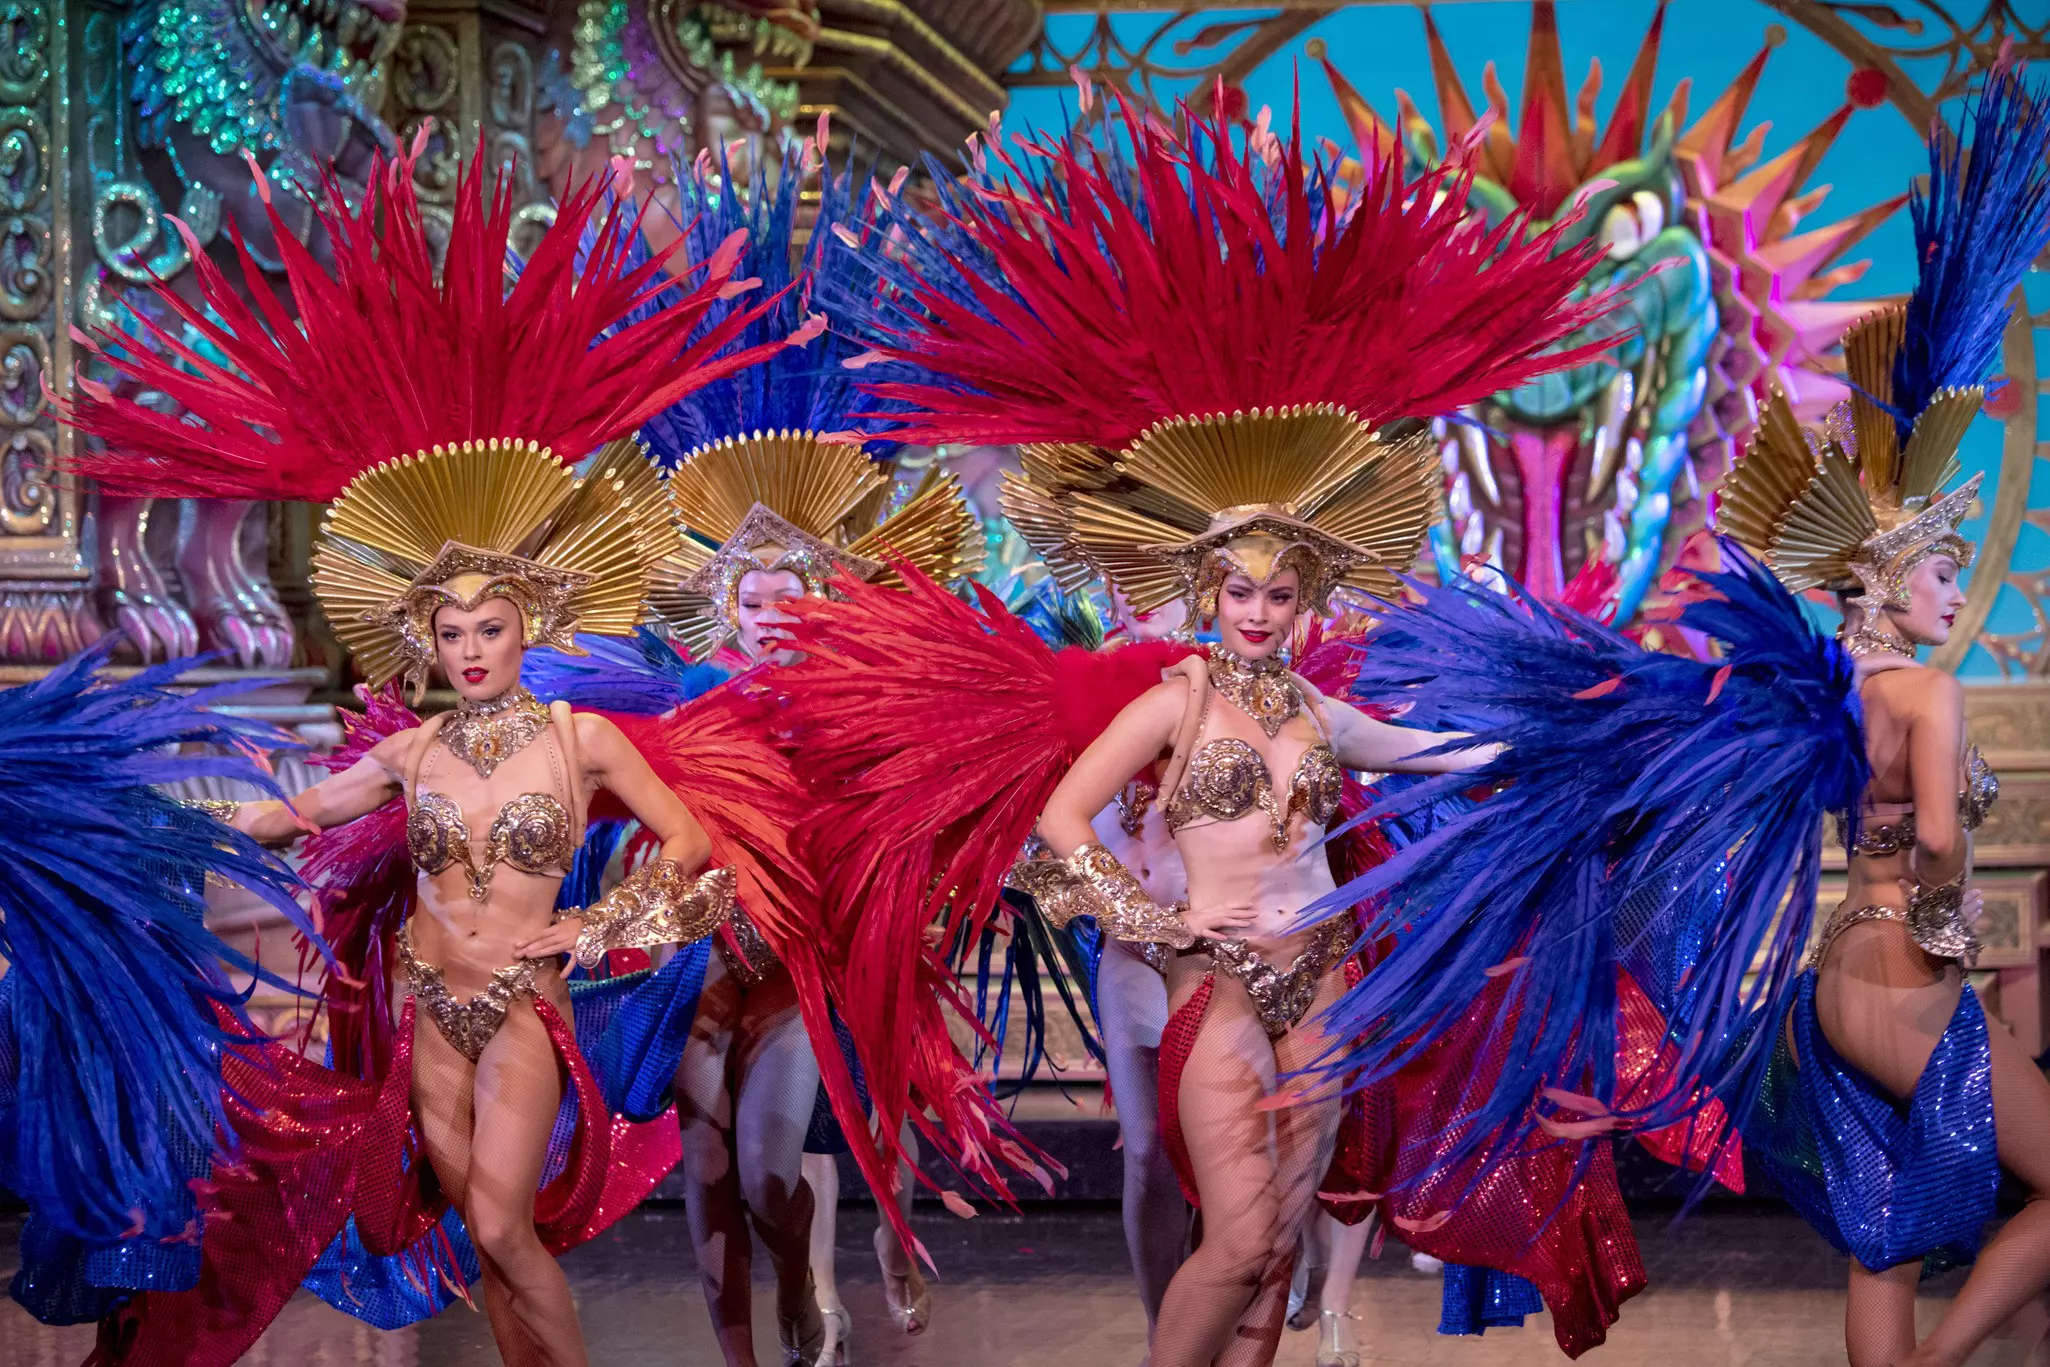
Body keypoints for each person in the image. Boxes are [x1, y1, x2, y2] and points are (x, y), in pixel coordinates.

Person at [768, 87, 1619, 1367]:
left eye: (1282, 591)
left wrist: (1567, 731)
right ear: (1207, 591)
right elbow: (1061, 816)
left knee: (1275, 1250)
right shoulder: (1173, 699)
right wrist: (1154, 920)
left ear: (1305, 594)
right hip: (1212, 977)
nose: (1263, 610)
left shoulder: (1323, 707)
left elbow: (1440, 755)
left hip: (1322, 977)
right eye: (1241, 590)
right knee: (1230, 1238)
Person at [1298, 61, 2050, 1367]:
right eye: (1937, 566)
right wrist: (1974, 922)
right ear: (1882, 574)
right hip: (1913, 973)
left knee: (1877, 1236)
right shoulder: (1919, 688)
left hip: (1833, 980)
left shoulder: (1822, 688)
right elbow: (1931, 838)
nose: (1949, 586)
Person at [58, 132, 800, 1366]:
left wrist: (604, 931)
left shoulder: (582, 735)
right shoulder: (411, 752)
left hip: (524, 1005)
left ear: (527, 628)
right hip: (424, 1007)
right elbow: (296, 814)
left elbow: (689, 847)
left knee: (507, 1223)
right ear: (430, 640)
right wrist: (153, 833)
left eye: (488, 628)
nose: (467, 648)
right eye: (449, 630)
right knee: (470, 1233)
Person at [542, 127, 988, 1367]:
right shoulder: (671, 698)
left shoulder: (852, 696)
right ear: (718, 599)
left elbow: (903, 806)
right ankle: (741, 1355)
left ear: (816, 597)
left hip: (796, 963)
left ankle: (812, 1246)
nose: (763, 610)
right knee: (702, 1171)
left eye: (787, 591)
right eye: (747, 592)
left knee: (762, 1164)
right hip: (693, 960)